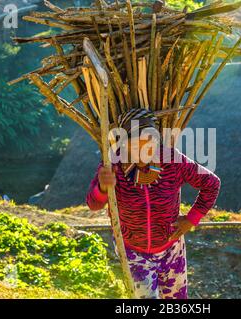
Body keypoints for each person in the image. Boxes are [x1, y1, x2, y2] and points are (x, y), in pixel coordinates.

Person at [86, 108, 220, 299]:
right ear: (124, 144)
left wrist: (191, 219)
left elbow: (212, 184)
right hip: (134, 254)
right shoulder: (113, 166)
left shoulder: (172, 160)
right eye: (136, 146)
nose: (145, 152)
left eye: (150, 144)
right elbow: (93, 204)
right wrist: (103, 188)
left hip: (172, 250)